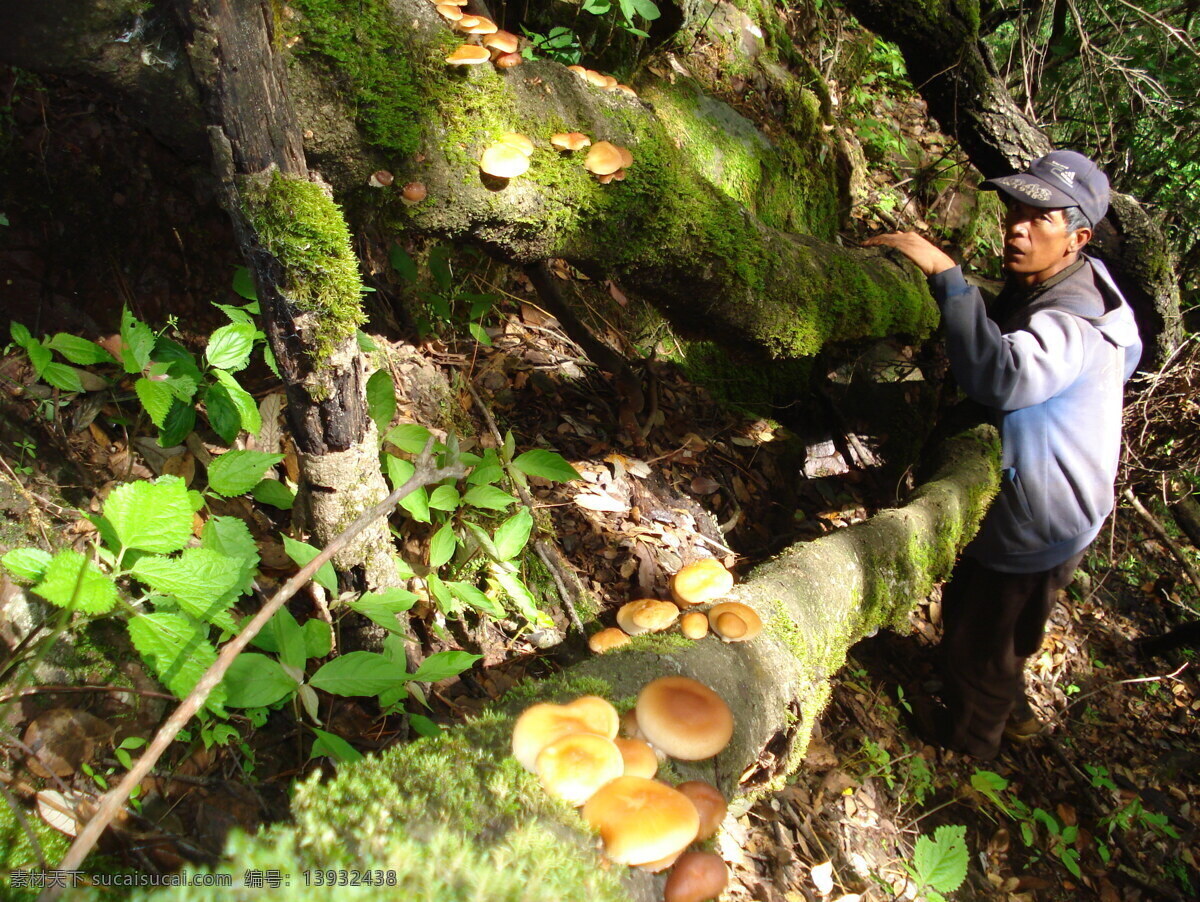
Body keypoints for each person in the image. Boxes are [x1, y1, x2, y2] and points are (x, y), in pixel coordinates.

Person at [864, 150, 1143, 759]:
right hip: (1066, 507)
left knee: (975, 641)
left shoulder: (1070, 320)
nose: (1017, 227)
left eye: (1038, 219)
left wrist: (947, 277)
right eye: (1014, 212)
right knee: (1008, 632)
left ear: (1077, 237)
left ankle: (969, 749)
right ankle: (1010, 711)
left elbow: (1001, 376)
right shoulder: (1086, 285)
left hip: (1035, 515)